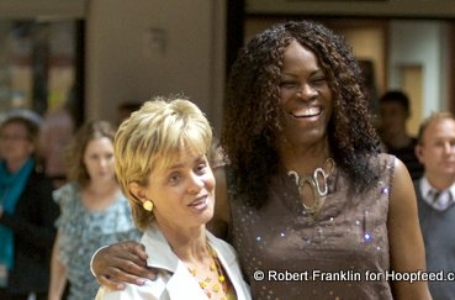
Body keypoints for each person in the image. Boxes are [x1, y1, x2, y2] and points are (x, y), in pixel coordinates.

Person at [91, 20, 431, 299]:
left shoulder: (386, 178)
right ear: (260, 97)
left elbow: (415, 293)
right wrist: (102, 260)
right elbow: (179, 252)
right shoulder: (230, 187)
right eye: (286, 83)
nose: (307, 94)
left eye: (318, 80)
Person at [95, 97, 250, 299]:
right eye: (175, 177)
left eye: (199, 167)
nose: (196, 184)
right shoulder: (130, 288)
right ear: (140, 193)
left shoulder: (228, 255)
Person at [48, 120, 141, 300]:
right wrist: (54, 296)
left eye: (108, 156)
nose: (102, 164)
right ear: (82, 158)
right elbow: (61, 253)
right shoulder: (71, 197)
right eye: (94, 157)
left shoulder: (133, 198)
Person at [0, 109, 59, 300]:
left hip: (27, 280)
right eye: (5, 136)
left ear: (31, 145)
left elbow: (50, 237)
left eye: (16, 137)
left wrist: (5, 218)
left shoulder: (41, 184)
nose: (9, 142)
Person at [414, 112, 455, 299]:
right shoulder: (402, 201)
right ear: (420, 153)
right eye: (439, 144)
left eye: (453, 143)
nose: (448, 151)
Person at [378, 90, 424, 180]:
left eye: (393, 113)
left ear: (407, 114)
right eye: (383, 113)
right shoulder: (380, 151)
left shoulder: (420, 151)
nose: (388, 119)